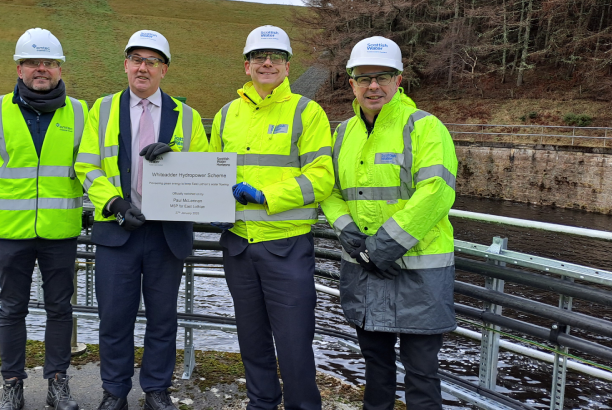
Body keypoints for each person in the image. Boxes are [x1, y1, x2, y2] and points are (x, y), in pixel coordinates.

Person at [320, 36, 458, 410]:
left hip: (419, 273)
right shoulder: (343, 133)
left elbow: (436, 192)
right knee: (375, 368)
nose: (373, 85)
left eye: (383, 76)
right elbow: (329, 190)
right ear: (351, 83)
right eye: (364, 78)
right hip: (365, 270)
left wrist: (383, 246)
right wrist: (346, 229)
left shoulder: (425, 127)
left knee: (422, 373)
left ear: (399, 80)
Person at [74, 30, 208, 410]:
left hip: (167, 234)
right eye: (137, 60)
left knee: (163, 320)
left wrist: (177, 157)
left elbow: (203, 170)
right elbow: (85, 165)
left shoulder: (188, 116)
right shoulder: (101, 109)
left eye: (152, 61)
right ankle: (114, 391)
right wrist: (114, 203)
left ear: (164, 70)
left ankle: (156, 390)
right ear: (126, 65)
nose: (143, 68)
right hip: (118, 231)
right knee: (115, 318)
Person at [208, 25, 333, 410]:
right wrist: (209, 204)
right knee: (252, 339)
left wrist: (267, 197)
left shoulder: (306, 112)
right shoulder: (227, 114)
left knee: (295, 344)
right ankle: (260, 402)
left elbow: (322, 178)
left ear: (287, 65)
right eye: (258, 57)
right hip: (239, 244)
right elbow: (211, 171)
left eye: (275, 57)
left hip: (286, 245)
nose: (266, 63)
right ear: (246, 66)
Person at [0, 28, 88, 410]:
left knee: (60, 309)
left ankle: (57, 383)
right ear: (19, 68)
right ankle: (12, 385)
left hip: (59, 232)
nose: (42, 69)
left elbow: (88, 168)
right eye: (34, 62)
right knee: (12, 309)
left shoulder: (81, 113)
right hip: (11, 233)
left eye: (49, 63)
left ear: (59, 68)